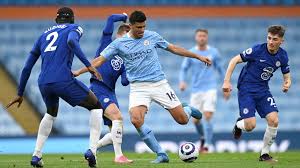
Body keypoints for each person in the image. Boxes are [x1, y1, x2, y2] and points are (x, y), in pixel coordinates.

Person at [73, 10, 211, 163]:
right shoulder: (119, 43)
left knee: (183, 120)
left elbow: (173, 48)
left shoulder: (152, 36)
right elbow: (99, 60)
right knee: (136, 120)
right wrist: (80, 71)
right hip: (139, 87)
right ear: (130, 26)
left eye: (144, 27)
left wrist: (197, 56)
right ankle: (161, 154)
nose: (142, 30)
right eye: (138, 27)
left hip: (159, 84)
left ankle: (188, 109)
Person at [6, 7, 103, 168]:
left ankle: (36, 155)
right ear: (72, 19)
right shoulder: (75, 28)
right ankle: (92, 151)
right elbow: (71, 41)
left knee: (50, 113)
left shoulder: (43, 36)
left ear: (56, 19)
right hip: (63, 80)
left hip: (44, 83)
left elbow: (26, 67)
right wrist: (89, 66)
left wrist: (20, 92)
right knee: (96, 106)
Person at [222, 25, 291, 162]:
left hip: (263, 90)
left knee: (274, 120)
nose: (271, 42)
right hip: (246, 88)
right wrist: (226, 82)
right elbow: (234, 60)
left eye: (275, 39)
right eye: (269, 38)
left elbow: (286, 74)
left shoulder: (283, 56)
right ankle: (239, 124)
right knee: (250, 126)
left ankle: (264, 154)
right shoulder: (257, 50)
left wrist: (287, 83)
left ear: (281, 41)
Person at [89, 13, 132, 163]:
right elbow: (110, 19)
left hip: (110, 92)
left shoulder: (126, 58)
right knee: (118, 118)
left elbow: (125, 82)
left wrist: (133, 71)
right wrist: (124, 16)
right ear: (120, 34)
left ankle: (92, 149)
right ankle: (119, 157)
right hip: (98, 87)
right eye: (128, 34)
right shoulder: (107, 43)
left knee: (118, 130)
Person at [179, 29, 224, 153]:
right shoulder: (191, 52)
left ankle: (207, 145)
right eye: (199, 36)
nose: (202, 38)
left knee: (208, 116)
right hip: (196, 90)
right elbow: (184, 69)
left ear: (207, 38)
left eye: (204, 36)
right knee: (196, 119)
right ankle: (203, 137)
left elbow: (220, 69)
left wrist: (225, 85)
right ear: (196, 38)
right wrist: (182, 81)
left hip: (210, 88)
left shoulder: (213, 52)